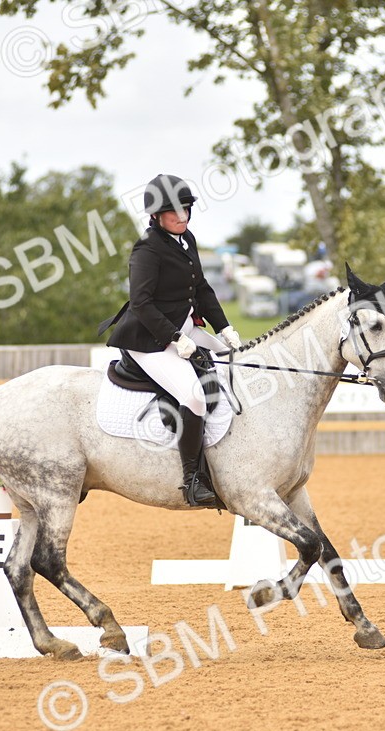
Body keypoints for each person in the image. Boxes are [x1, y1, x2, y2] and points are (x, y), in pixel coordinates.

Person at [96, 174, 242, 508]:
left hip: (183, 329)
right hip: (149, 339)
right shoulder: (147, 249)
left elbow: (201, 288)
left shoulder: (186, 239)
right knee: (193, 396)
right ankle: (193, 480)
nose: (183, 217)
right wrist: (174, 338)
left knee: (239, 359)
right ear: (156, 216)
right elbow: (141, 303)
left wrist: (224, 327)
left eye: (186, 210)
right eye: (174, 212)